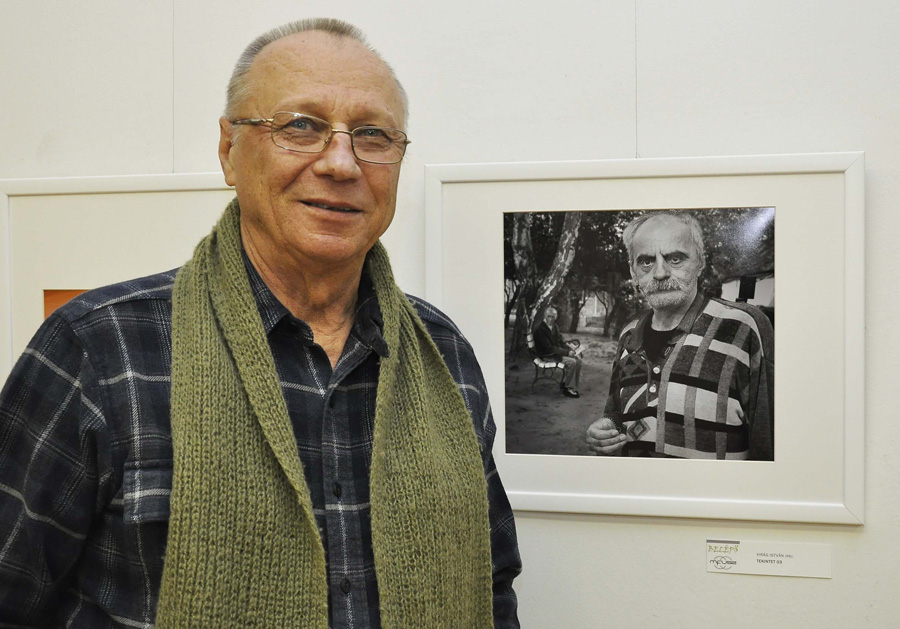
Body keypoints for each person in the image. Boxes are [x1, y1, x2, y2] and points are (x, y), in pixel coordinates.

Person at [0, 18, 520, 627]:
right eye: (301, 126)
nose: (341, 162)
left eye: (373, 134)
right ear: (228, 149)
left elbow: (492, 586)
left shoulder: (444, 353)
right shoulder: (98, 349)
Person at [585, 211, 774, 460]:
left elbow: (770, 442)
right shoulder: (629, 335)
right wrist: (604, 431)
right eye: (646, 261)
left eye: (675, 259)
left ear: (700, 262)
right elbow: (616, 413)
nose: (660, 273)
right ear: (633, 271)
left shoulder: (743, 327)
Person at [532, 306, 582, 398]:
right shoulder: (540, 330)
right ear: (545, 316)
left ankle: (569, 385)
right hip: (547, 355)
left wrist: (571, 350)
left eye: (553, 316)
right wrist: (567, 353)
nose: (551, 319)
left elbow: (560, 342)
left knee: (578, 360)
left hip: (555, 353)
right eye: (548, 316)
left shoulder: (554, 326)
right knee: (572, 362)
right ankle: (567, 387)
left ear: (556, 316)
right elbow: (549, 348)